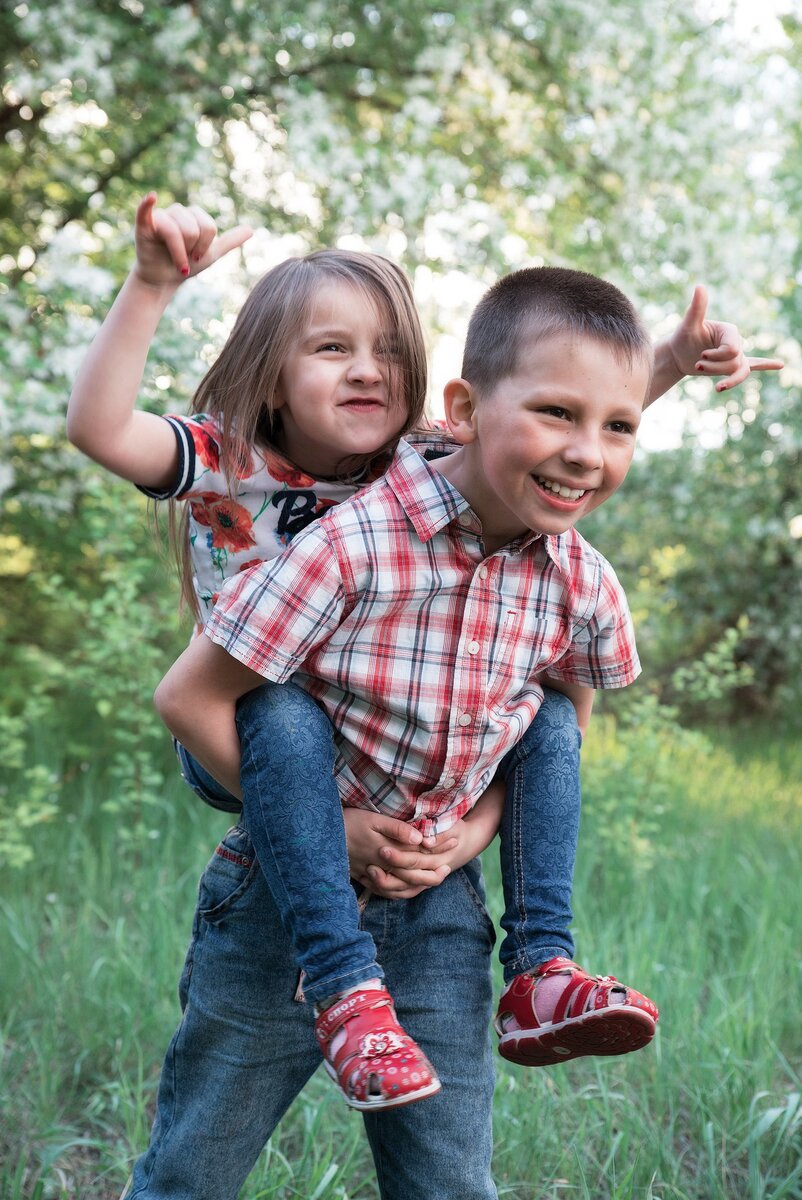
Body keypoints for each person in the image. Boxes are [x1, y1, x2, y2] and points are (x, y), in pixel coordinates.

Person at [67, 197, 780, 1199]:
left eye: (384, 354)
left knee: (450, 1179)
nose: (365, 371)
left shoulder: (415, 472)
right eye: (329, 348)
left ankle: (542, 970)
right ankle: (345, 980)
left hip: (433, 880)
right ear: (270, 375)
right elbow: (100, 430)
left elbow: (547, 427)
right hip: (264, 782)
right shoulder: (274, 475)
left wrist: (660, 360)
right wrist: (150, 285)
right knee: (191, 1167)